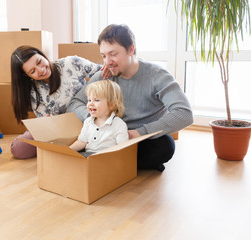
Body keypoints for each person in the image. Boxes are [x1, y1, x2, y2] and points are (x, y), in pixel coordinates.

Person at [67, 24, 194, 172]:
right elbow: (75, 103)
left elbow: (184, 114)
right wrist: (96, 116)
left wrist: (140, 132)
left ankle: (104, 162)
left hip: (139, 139)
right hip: (105, 136)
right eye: (104, 56)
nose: (107, 62)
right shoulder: (104, 76)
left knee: (166, 146)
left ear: (131, 50)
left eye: (113, 54)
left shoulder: (158, 76)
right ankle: (116, 163)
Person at [10, 45, 110, 159]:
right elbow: (45, 123)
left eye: (39, 62)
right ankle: (74, 146)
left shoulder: (71, 63)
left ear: (42, 55)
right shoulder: (34, 92)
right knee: (19, 148)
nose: (41, 70)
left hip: (87, 120)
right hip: (59, 131)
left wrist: (108, 65)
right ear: (26, 76)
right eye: (33, 71)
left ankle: (77, 145)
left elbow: (102, 73)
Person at [69, 79, 129, 156]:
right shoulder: (88, 122)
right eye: (89, 100)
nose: (91, 103)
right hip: (89, 156)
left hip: (106, 157)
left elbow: (123, 149)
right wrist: (68, 150)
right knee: (74, 157)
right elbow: (81, 142)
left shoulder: (118, 124)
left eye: (96, 100)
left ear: (111, 105)